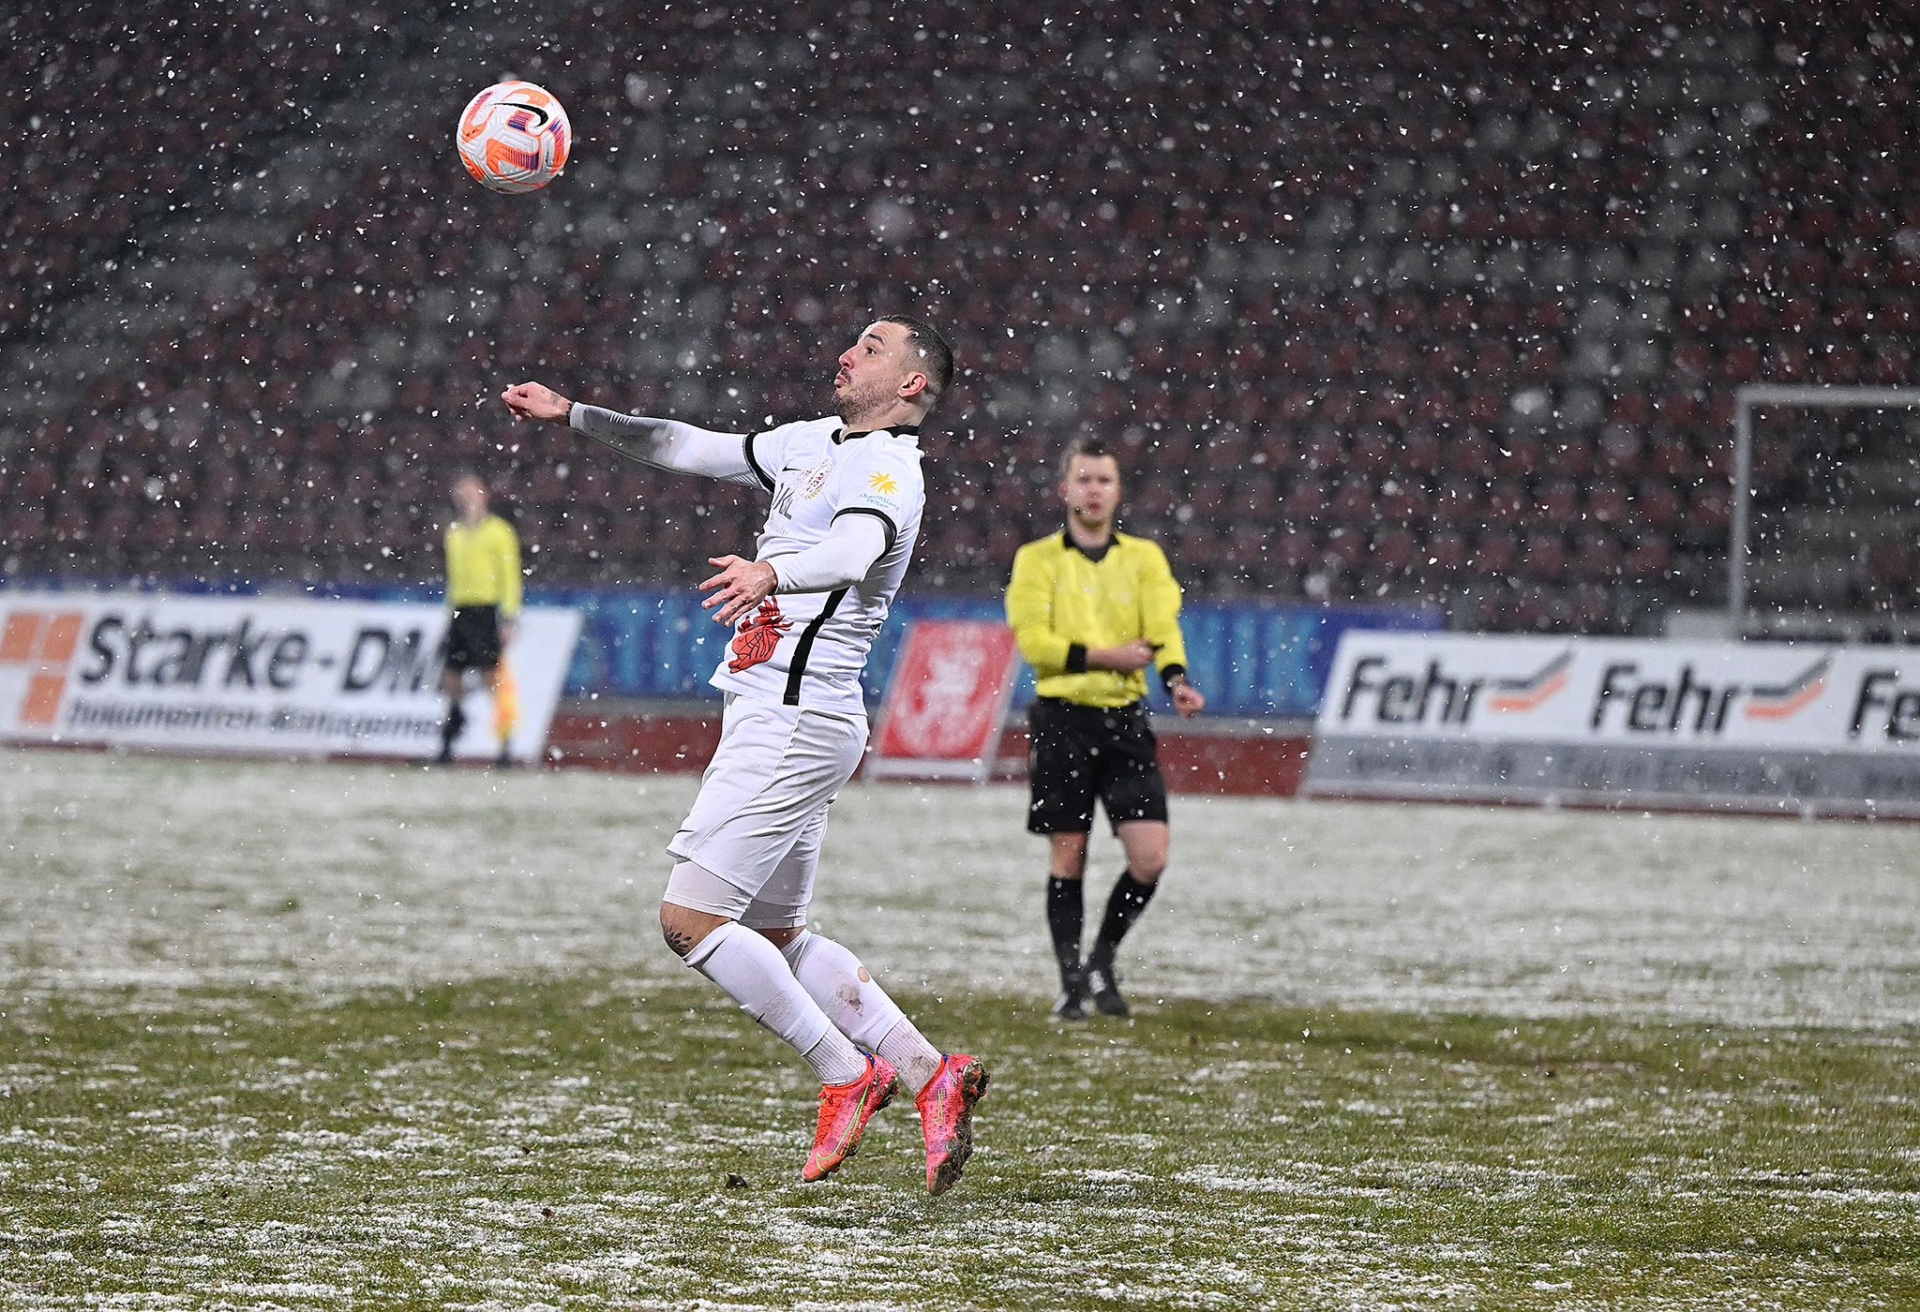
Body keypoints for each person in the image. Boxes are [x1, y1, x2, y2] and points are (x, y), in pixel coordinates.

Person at [500, 316, 988, 1194]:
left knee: (689, 922)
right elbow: (686, 445)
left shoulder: (890, 467)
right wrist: (574, 413)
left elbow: (854, 549)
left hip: (794, 717)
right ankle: (931, 1074)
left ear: (912, 384)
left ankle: (847, 1074)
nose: (848, 354)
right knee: (774, 935)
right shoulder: (811, 442)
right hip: (793, 715)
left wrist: (772, 573)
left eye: (872, 348)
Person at [1005, 436, 1206, 1021]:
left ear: (1118, 492)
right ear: (1064, 489)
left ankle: (1100, 959)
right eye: (1084, 479)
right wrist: (1106, 657)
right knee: (1068, 854)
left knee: (1150, 858)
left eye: (1104, 480)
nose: (1093, 490)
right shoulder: (1036, 559)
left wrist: (1175, 680)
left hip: (1123, 720)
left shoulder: (1144, 558)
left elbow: (1163, 627)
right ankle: (1071, 984)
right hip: (1062, 719)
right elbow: (1035, 644)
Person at [438, 471, 522, 765]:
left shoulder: (499, 533)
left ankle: (505, 743)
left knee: (492, 678)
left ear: (484, 495)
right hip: (461, 610)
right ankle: (452, 730)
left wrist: (509, 617)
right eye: (462, 493)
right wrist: (449, 615)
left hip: (485, 611)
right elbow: (453, 580)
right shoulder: (454, 534)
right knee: (451, 676)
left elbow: (510, 577)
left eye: (472, 492)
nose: (467, 498)